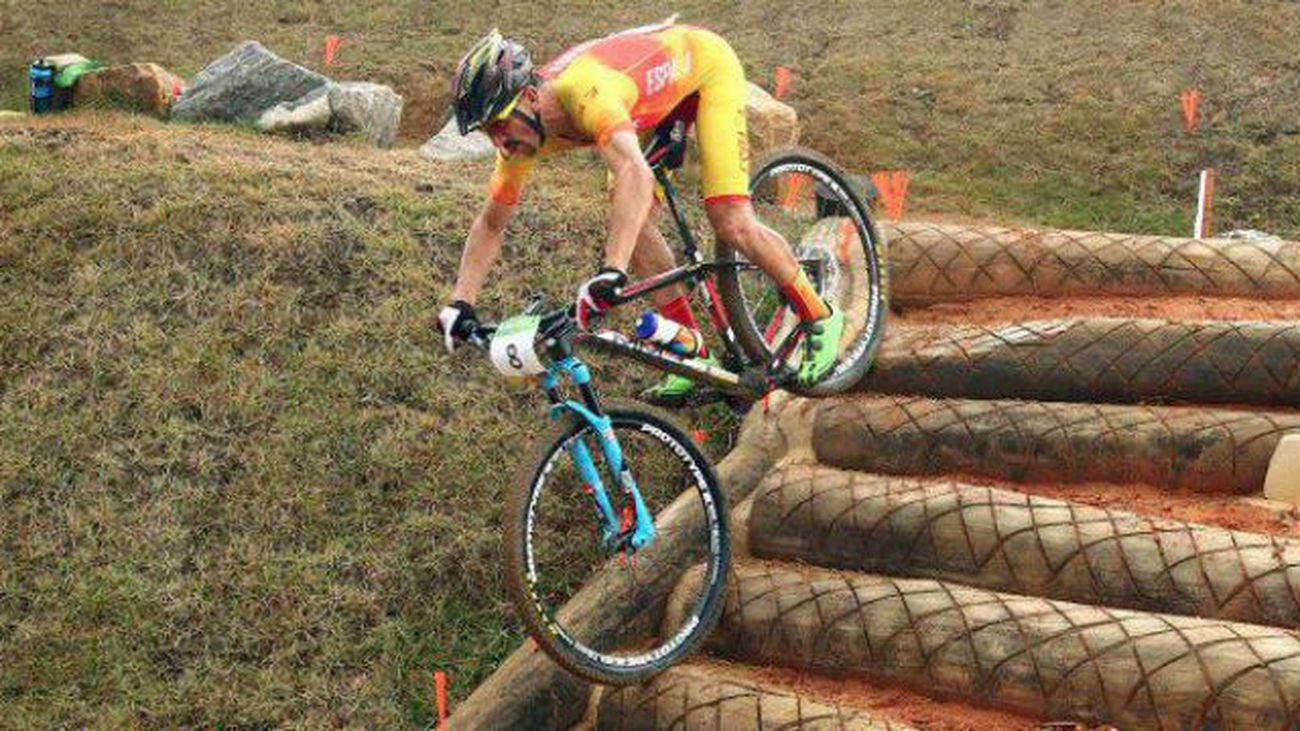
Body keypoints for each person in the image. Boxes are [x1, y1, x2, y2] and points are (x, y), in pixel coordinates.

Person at [437, 21, 843, 404]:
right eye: (487, 133)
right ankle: (691, 351)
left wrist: (612, 270)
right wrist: (461, 302)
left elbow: (634, 171)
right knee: (633, 218)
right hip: (648, 104)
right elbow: (492, 222)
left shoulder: (585, 92)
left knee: (729, 219)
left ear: (527, 97)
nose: (498, 142)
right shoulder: (522, 134)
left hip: (702, 69)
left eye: (499, 126)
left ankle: (819, 314)